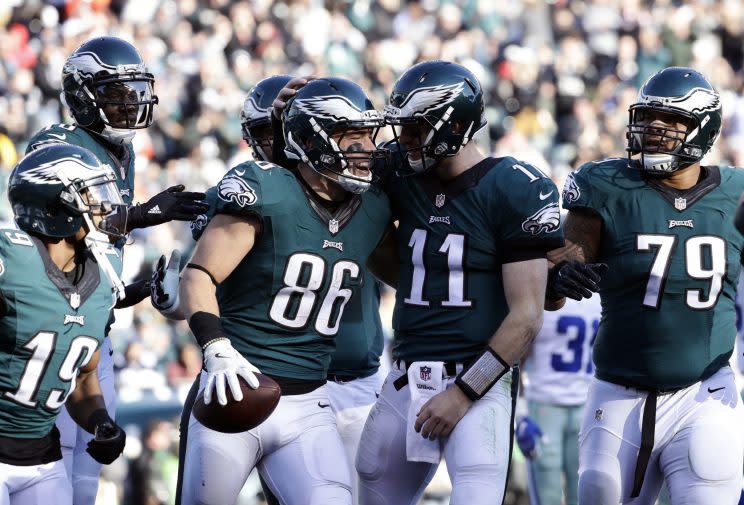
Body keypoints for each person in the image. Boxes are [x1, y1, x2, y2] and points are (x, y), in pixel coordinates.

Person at [353, 60, 564, 505]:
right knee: (370, 489)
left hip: (478, 382)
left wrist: (463, 393)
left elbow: (526, 319)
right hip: (408, 373)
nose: (404, 139)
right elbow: (396, 262)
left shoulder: (514, 186)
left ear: (453, 125)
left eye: (415, 128)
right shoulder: (399, 172)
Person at [178, 77, 395, 505]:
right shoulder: (266, 190)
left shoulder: (374, 206)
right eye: (350, 136)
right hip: (237, 383)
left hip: (310, 402)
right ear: (311, 140)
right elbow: (198, 275)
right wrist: (216, 349)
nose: (365, 148)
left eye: (367, 135)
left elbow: (413, 275)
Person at [547, 66, 744, 504]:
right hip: (619, 388)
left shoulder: (736, 193)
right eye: (649, 118)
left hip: (704, 391)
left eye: (671, 121)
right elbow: (556, 282)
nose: (655, 129)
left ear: (703, 127)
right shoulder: (606, 186)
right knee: (599, 491)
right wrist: (557, 277)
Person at [25, 36, 208, 505]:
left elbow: (94, 251)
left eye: (133, 93)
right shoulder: (57, 142)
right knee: (48, 473)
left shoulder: (121, 153)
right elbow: (58, 224)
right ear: (83, 97)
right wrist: (143, 215)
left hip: (95, 331)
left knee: (86, 478)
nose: (129, 105)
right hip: (52, 330)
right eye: (115, 95)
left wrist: (126, 292)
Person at [0, 144, 128, 504]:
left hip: (43, 457)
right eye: (91, 196)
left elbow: (83, 376)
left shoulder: (104, 279)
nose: (105, 208)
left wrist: (100, 421)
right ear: (55, 206)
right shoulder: (11, 259)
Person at [517, 292, 601, 505]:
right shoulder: (543, 295)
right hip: (546, 404)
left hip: (586, 405)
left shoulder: (601, 298)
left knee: (582, 491)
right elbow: (517, 357)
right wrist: (521, 412)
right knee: (548, 494)